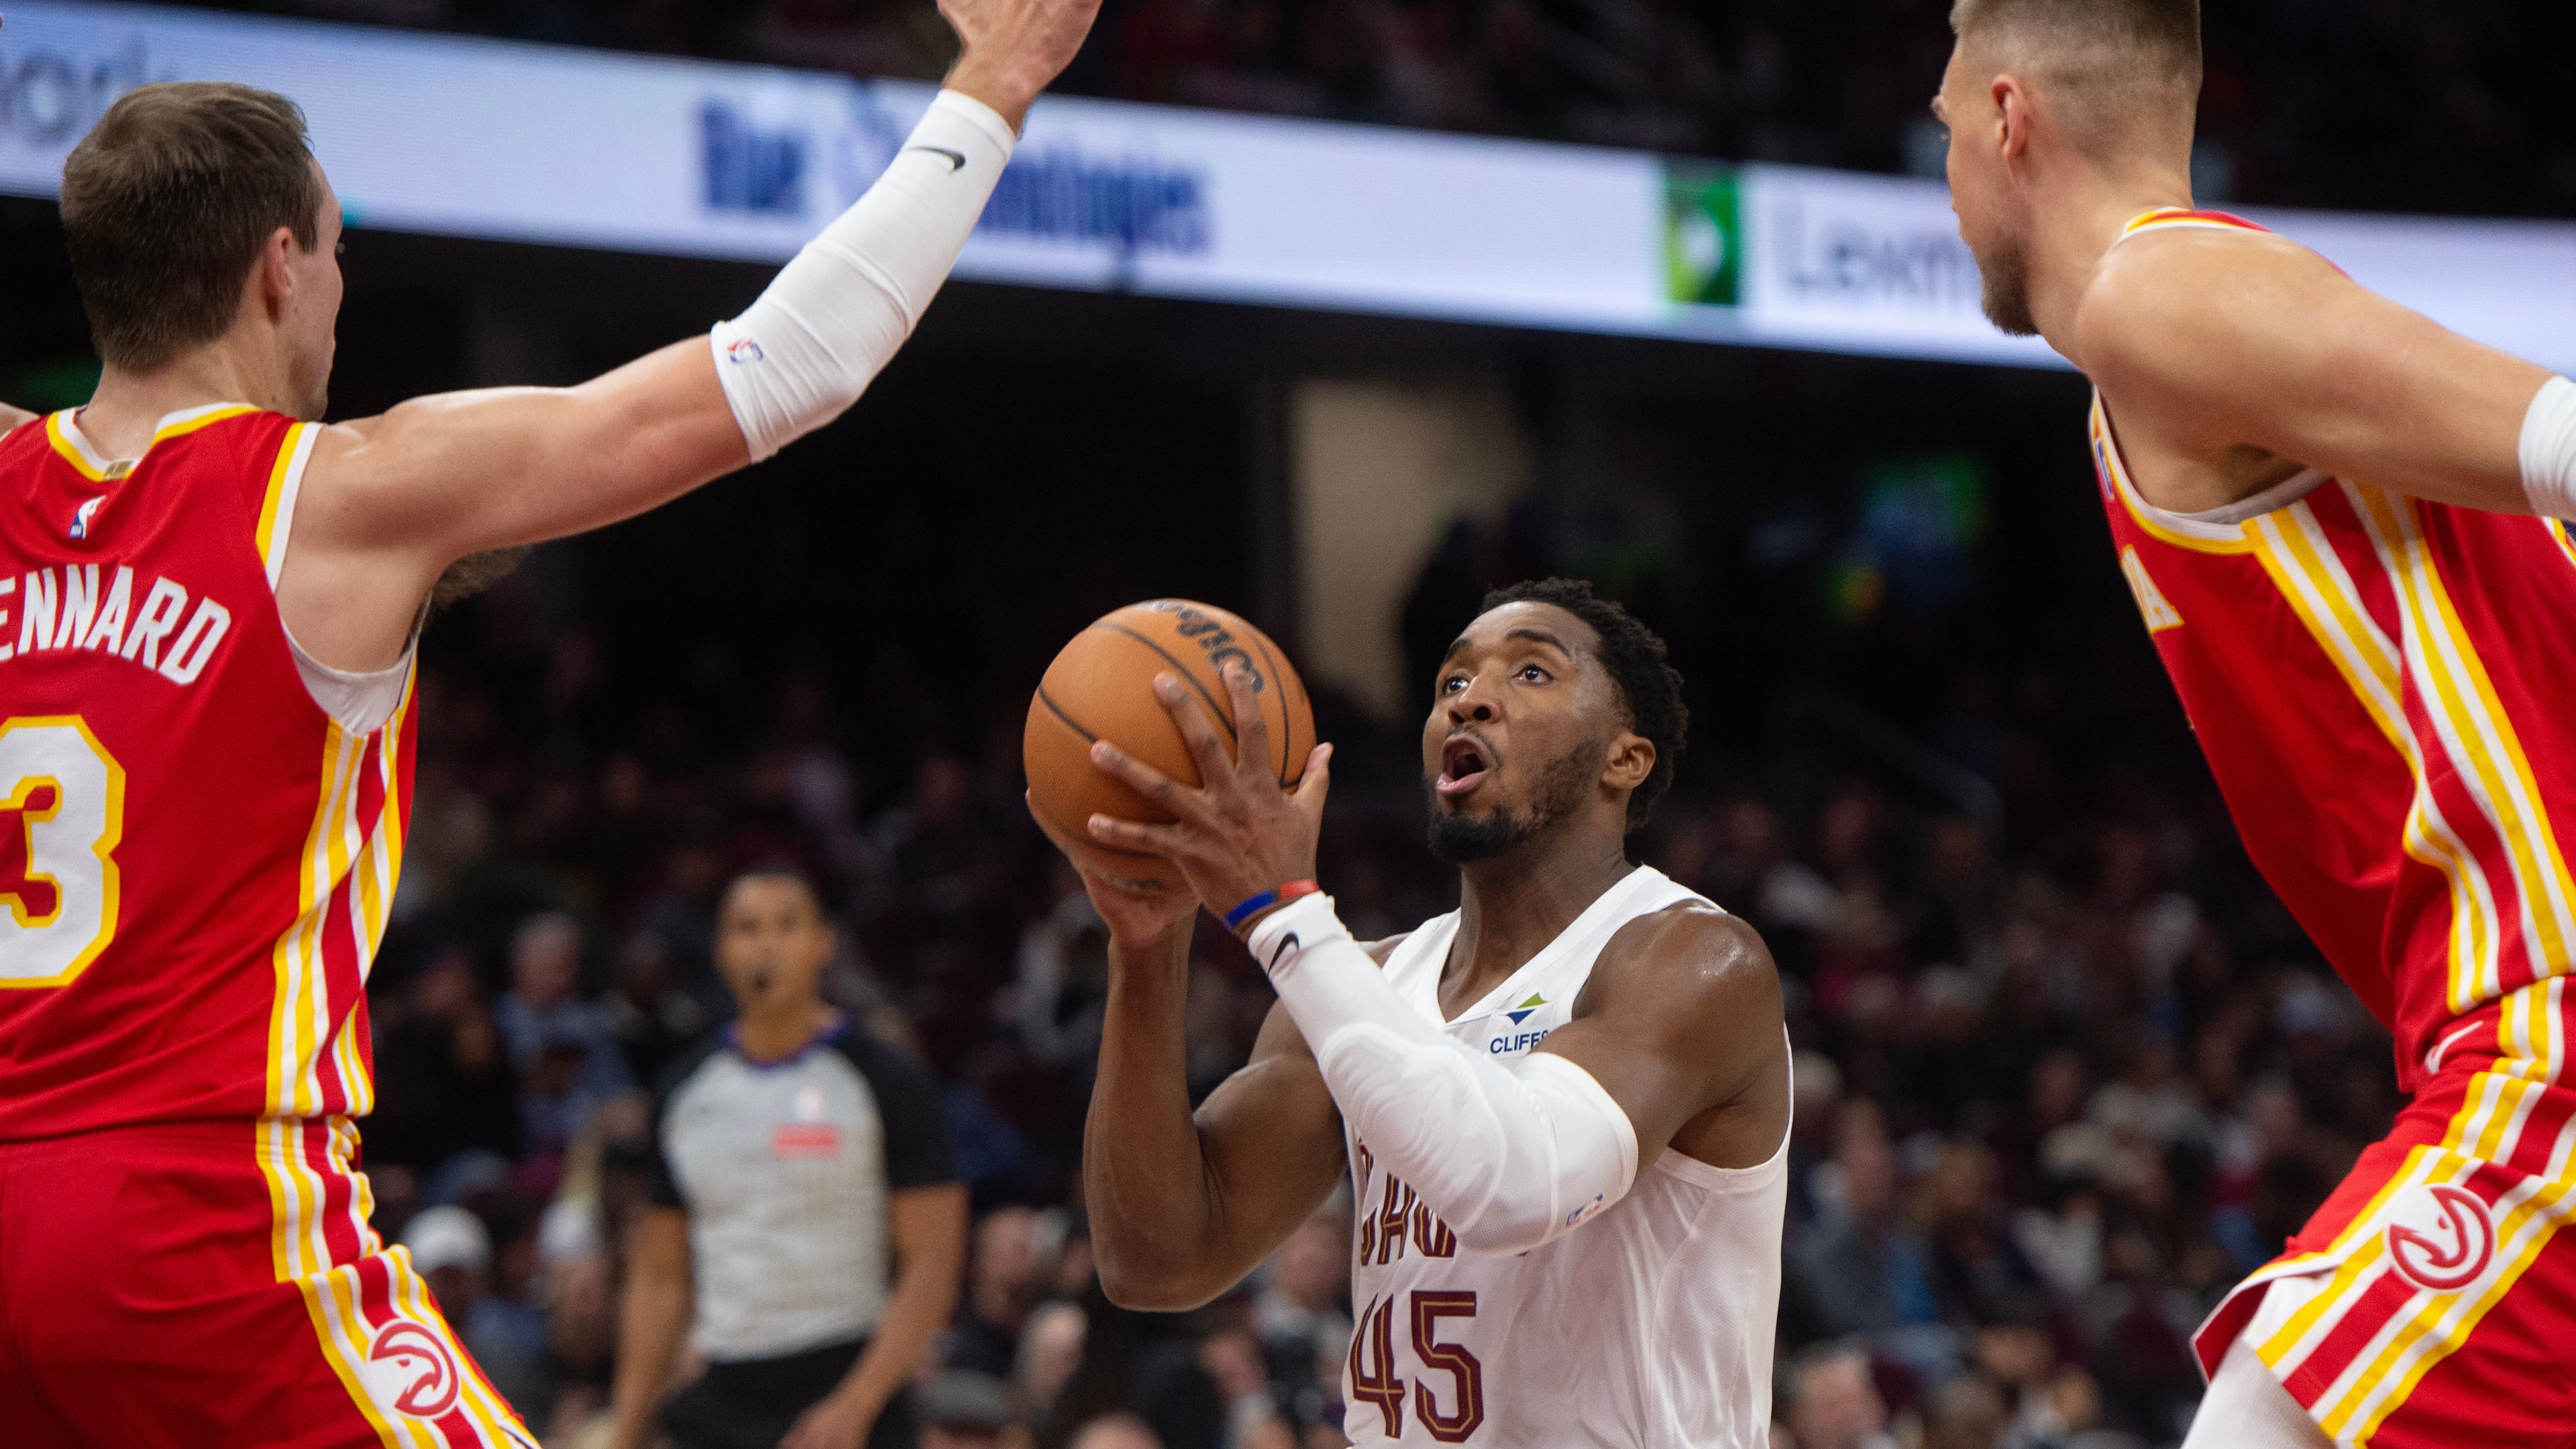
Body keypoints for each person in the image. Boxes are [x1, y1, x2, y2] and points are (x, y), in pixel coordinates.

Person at [0, 0, 1098, 1434]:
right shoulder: (335, 493)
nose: (338, 289)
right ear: (279, 268)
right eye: (335, 253)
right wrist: (996, 81)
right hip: (196, 1216)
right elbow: (788, 365)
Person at [1933, 3, 2576, 1446]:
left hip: (2551, 1025)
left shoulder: (2156, 299)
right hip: (2480, 1026)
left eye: (1945, 133)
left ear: (2010, 119)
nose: (1950, 186)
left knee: (2267, 1420)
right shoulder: (2183, 345)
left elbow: (2561, 437)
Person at [1066, 578, 1792, 1447]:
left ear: (1624, 760)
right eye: (1452, 682)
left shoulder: (1692, 960)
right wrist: (1146, 954)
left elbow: (1518, 1187)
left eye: (1530, 673)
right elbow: (1158, 1259)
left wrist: (1286, 916)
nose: (1472, 697)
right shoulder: (1364, 982)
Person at [608, 866, 967, 1449]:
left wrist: (856, 1407)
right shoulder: (683, 1092)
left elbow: (933, 1264)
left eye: (787, 925)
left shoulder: (886, 1080)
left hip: (850, 1377)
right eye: (747, 928)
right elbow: (659, 1278)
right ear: (722, 950)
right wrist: (626, 1432)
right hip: (722, 1387)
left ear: (823, 943)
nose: (767, 943)